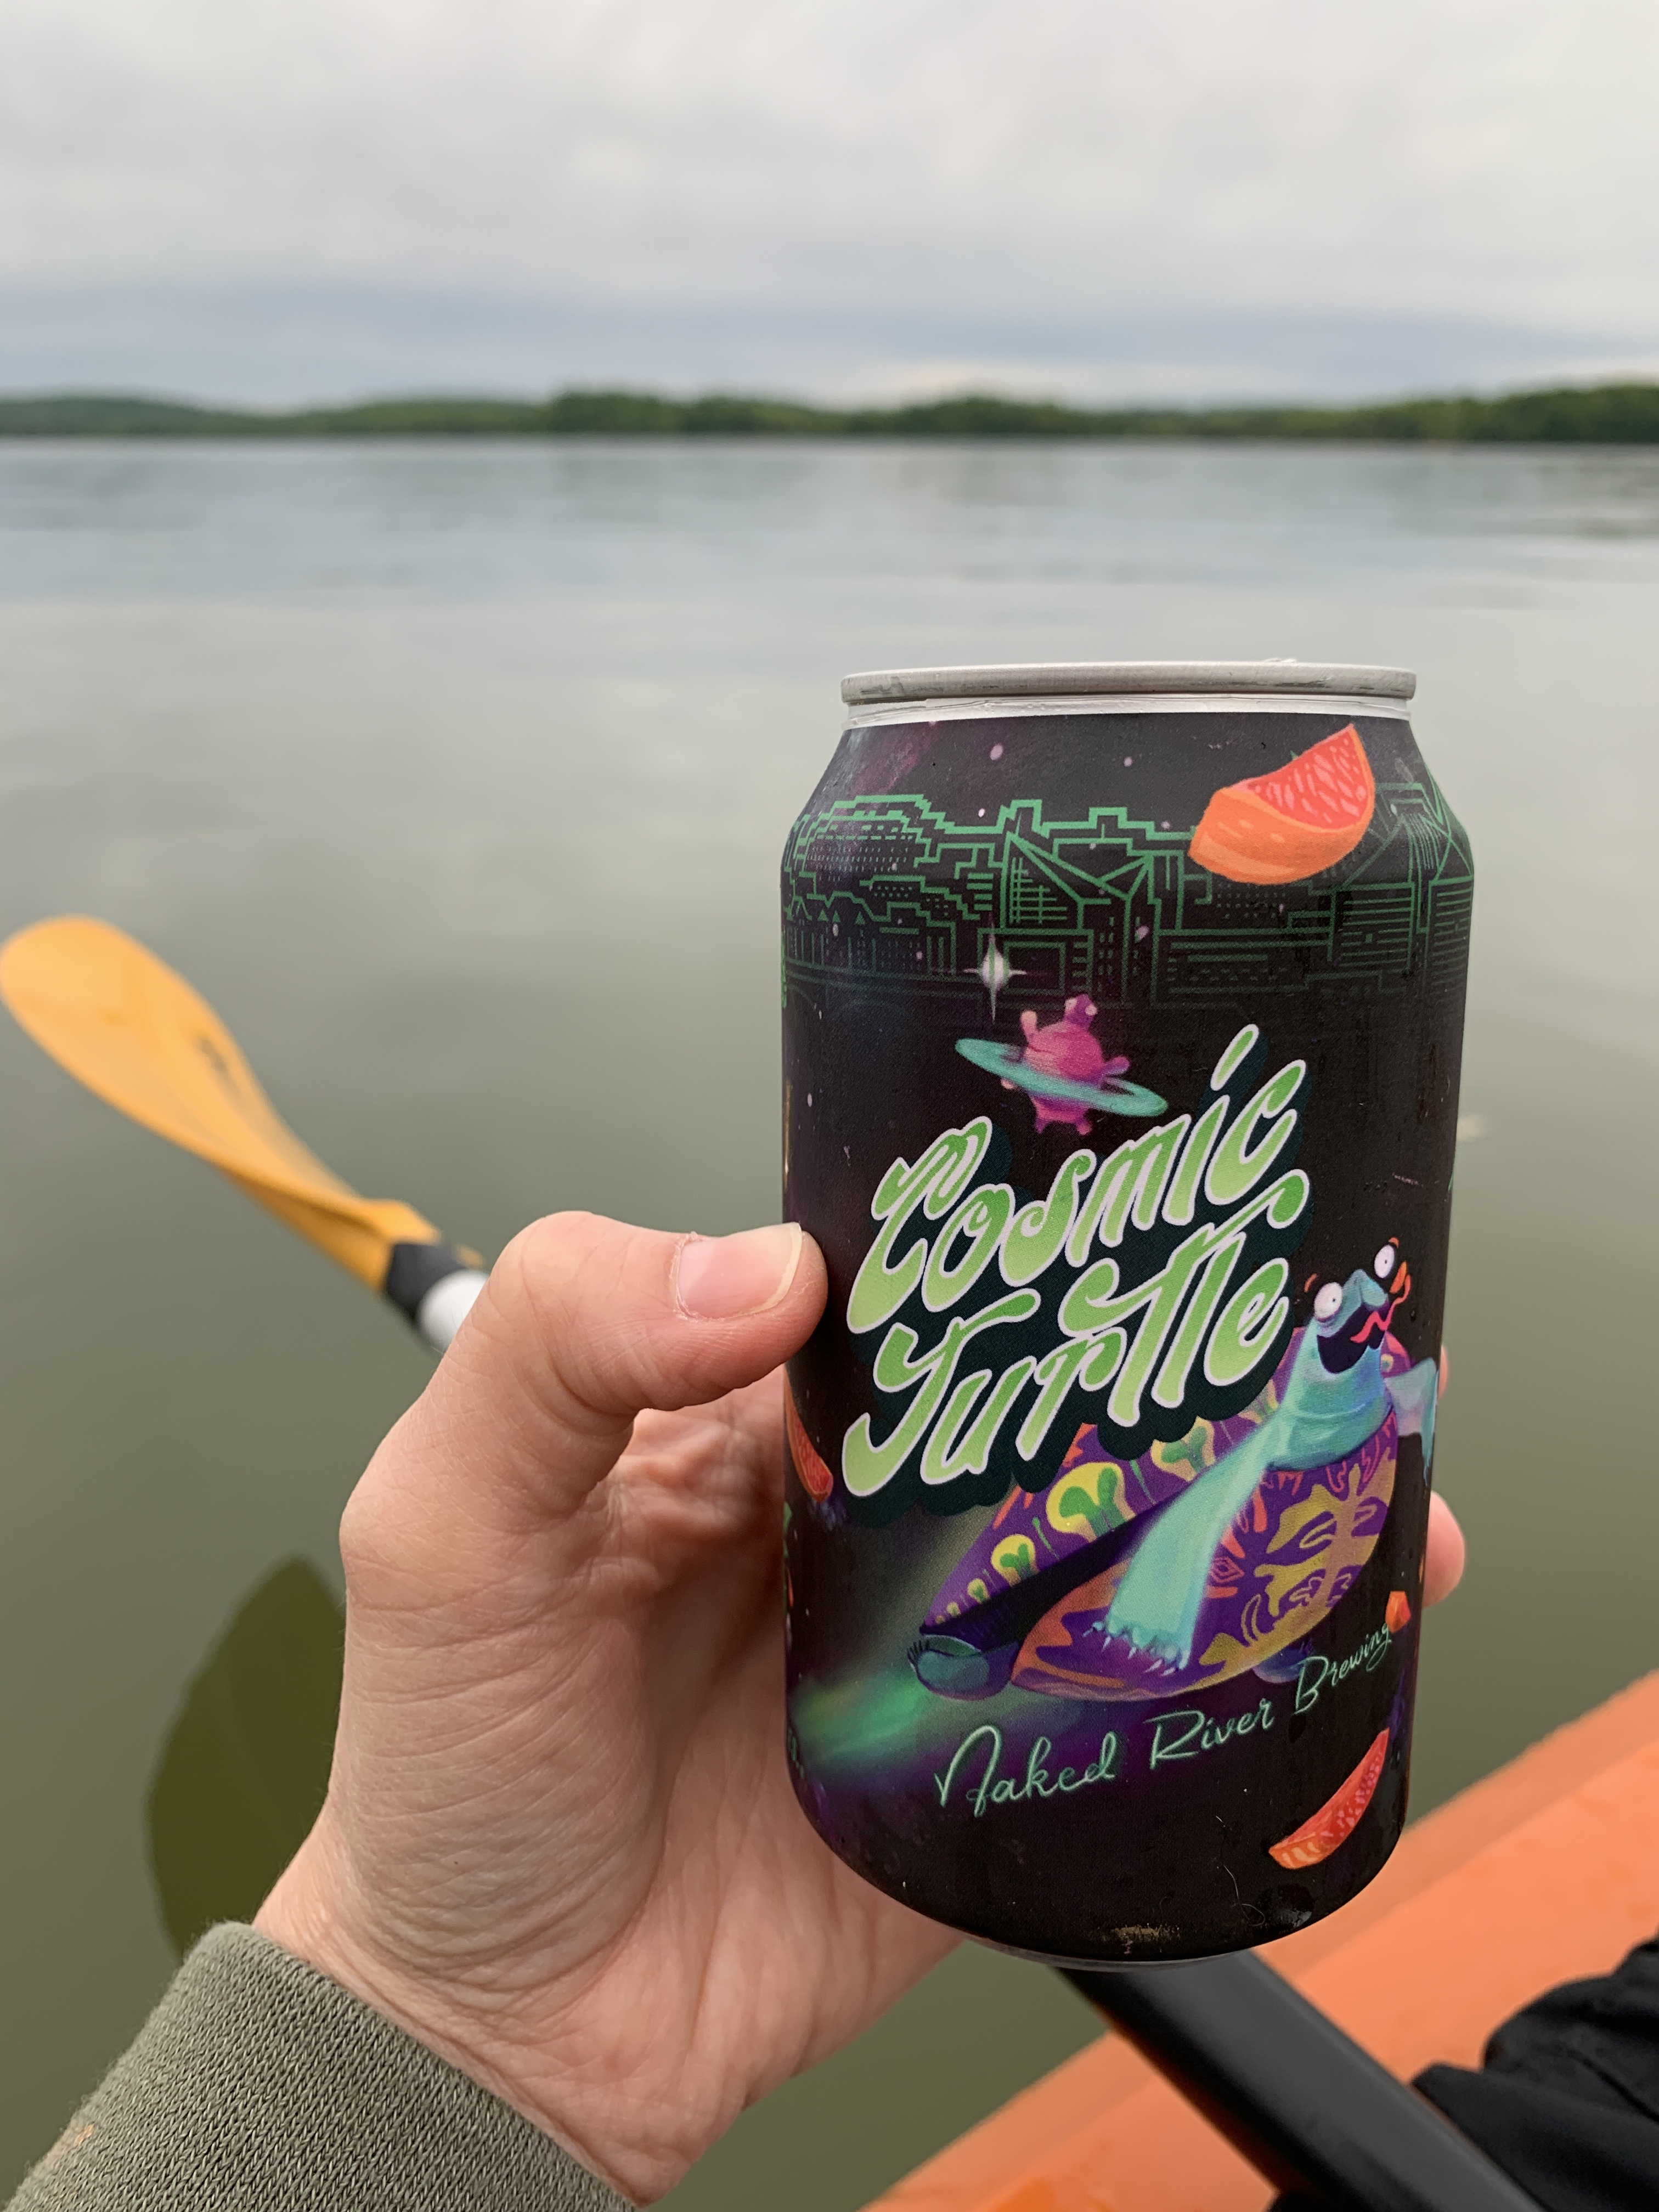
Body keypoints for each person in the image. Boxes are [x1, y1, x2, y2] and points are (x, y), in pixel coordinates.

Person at [10, 1214, 1468, 2211]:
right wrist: (433, 2021)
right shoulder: (1337, 1358)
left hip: (1234, 1545)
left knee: (1189, 1550)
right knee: (1149, 1542)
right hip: (1155, 1583)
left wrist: (435, 2032)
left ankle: (1066, 1627)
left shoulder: (1348, 1363)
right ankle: (1039, 1625)